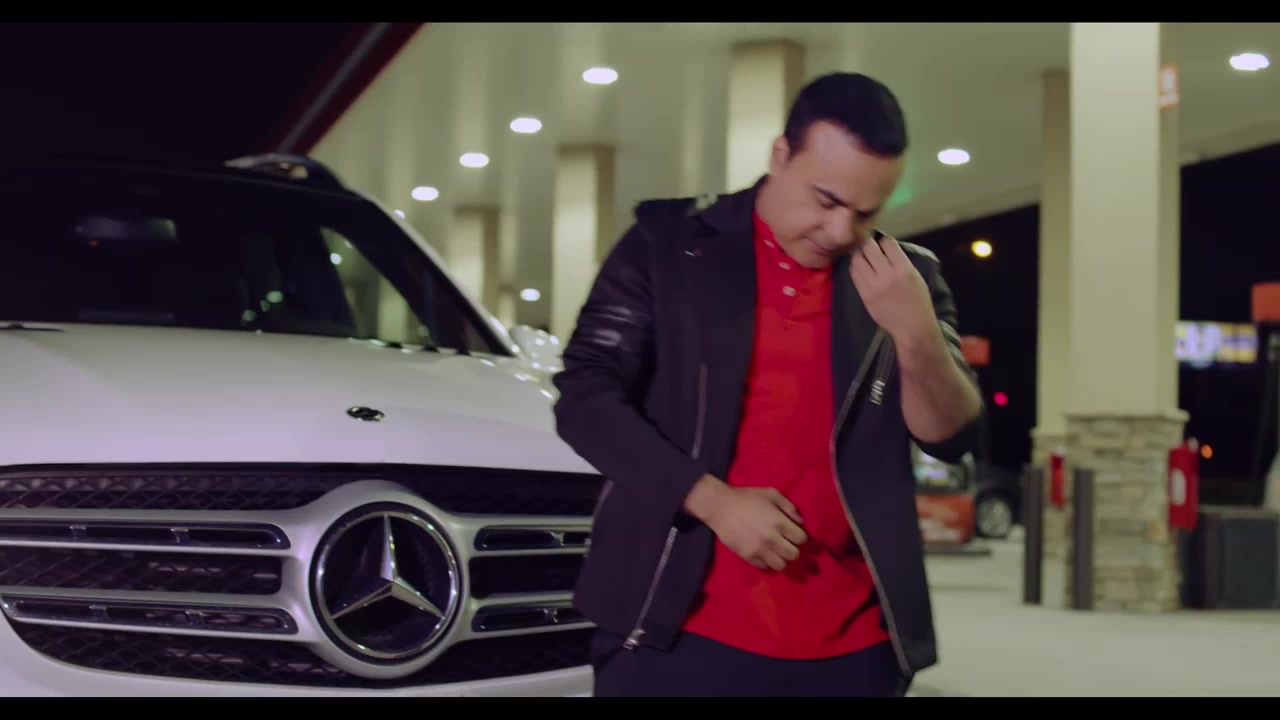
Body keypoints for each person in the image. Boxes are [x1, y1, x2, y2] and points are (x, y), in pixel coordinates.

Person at [552, 71, 983, 698]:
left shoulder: (904, 279)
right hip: (674, 629)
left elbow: (951, 437)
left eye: (866, 212)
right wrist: (711, 500)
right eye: (826, 200)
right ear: (780, 155)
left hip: (854, 651)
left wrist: (915, 333)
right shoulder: (669, 246)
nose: (841, 232)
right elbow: (584, 397)